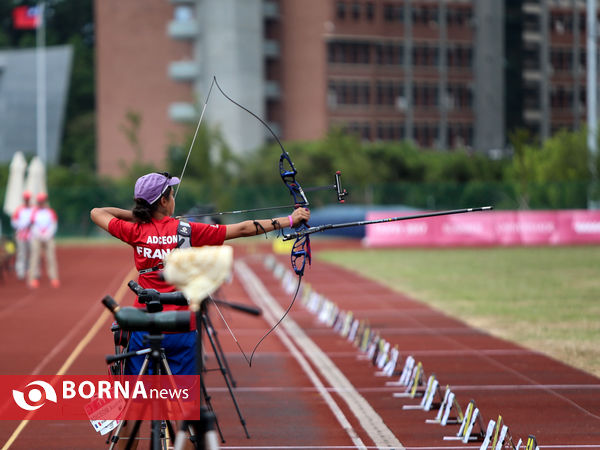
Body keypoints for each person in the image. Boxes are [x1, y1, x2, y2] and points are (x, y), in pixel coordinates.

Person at [90, 172, 310, 376]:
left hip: (145, 326)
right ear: (164, 201)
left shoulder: (133, 230)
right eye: (172, 195)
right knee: (186, 398)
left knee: (140, 396)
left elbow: (97, 213)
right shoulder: (187, 230)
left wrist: (143, 216)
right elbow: (243, 229)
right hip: (182, 325)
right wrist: (289, 220)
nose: (173, 200)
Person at [28, 192, 60, 289]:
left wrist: (48, 234)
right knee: (34, 257)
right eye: (40, 201)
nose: (41, 203)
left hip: (48, 237)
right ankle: (33, 278)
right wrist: (39, 233)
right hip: (36, 237)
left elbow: (54, 224)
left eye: (42, 201)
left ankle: (54, 277)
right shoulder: (34, 212)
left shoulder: (50, 212)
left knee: (51, 257)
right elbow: (32, 225)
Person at [11, 191, 34, 280]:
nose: (27, 201)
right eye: (26, 199)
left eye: (28, 199)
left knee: (32, 254)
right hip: (21, 235)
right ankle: (20, 271)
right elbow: (14, 222)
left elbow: (35, 221)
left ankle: (31, 271)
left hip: (31, 235)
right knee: (21, 253)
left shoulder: (33, 209)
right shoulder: (19, 210)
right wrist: (22, 226)